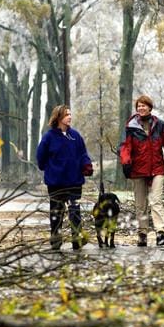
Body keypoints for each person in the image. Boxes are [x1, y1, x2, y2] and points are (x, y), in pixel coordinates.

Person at [119, 95, 164, 246]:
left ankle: (160, 232)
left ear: (150, 108)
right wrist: (126, 162)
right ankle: (142, 234)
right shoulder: (131, 127)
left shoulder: (160, 125)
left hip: (157, 168)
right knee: (141, 204)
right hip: (138, 170)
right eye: (139, 106)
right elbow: (125, 146)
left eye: (144, 105)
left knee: (155, 200)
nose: (141, 108)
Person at [36, 105, 93, 250]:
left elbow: (83, 154)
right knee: (56, 212)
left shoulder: (75, 136)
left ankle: (77, 239)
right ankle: (56, 240)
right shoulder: (49, 137)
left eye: (70, 114)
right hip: (56, 182)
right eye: (67, 115)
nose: (70, 117)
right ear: (59, 117)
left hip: (74, 180)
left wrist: (87, 165)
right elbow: (40, 157)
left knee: (75, 211)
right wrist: (47, 169)